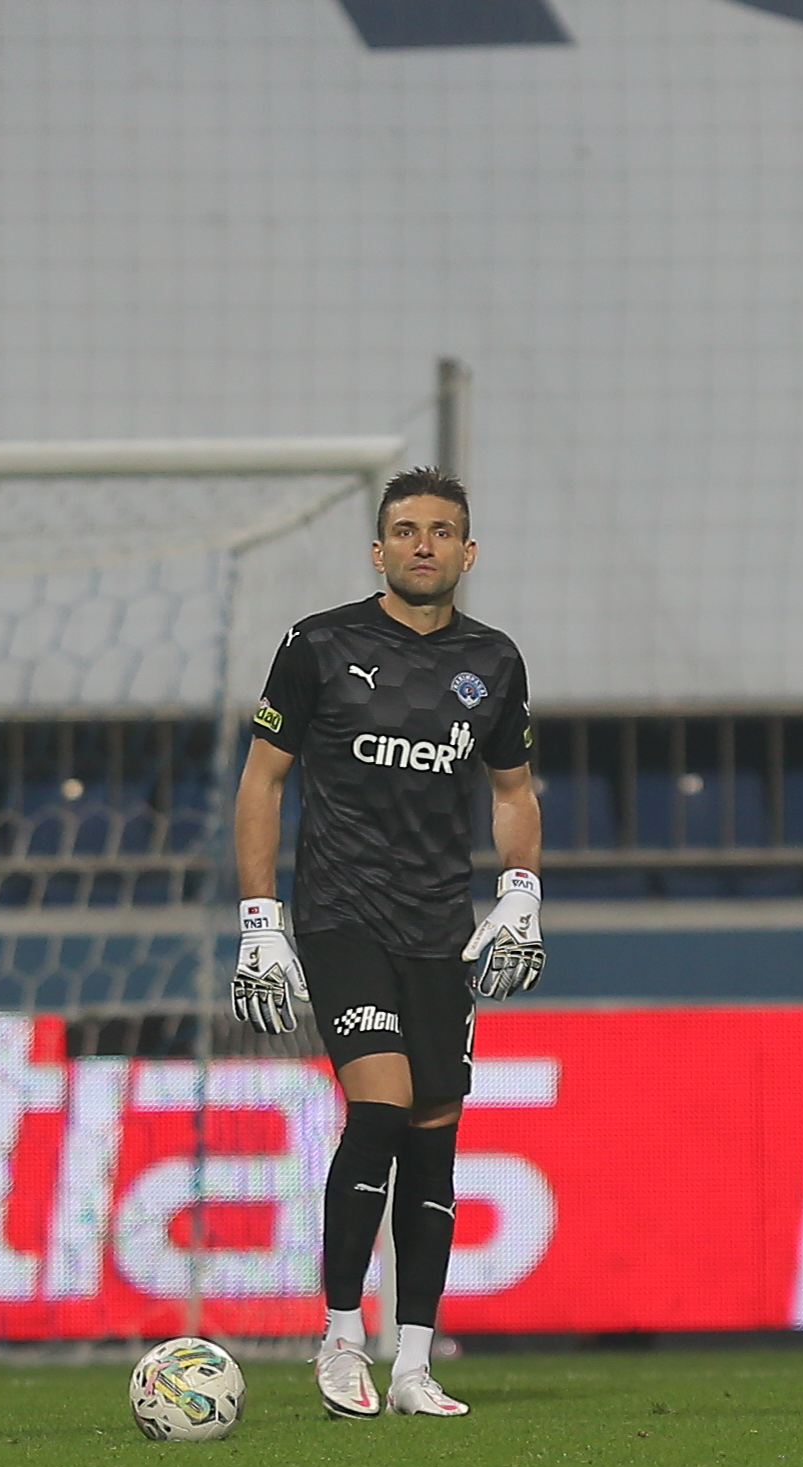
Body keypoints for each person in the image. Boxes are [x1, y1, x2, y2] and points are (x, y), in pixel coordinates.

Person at [231, 467, 543, 1418]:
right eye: (405, 530)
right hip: (342, 916)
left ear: (467, 551)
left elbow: (511, 791)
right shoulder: (319, 645)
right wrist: (258, 919)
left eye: (440, 531)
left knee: (433, 1138)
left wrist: (521, 891)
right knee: (380, 1109)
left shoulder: (493, 661)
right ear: (378, 550)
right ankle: (338, 1340)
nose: (422, 545)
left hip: (439, 930)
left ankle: (411, 1363)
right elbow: (262, 781)